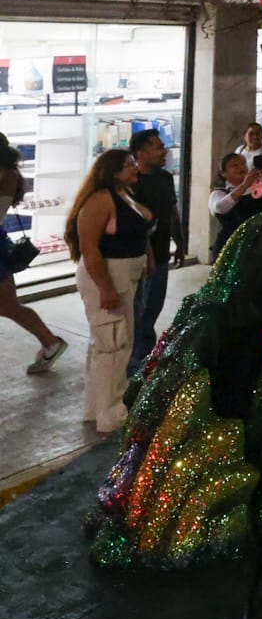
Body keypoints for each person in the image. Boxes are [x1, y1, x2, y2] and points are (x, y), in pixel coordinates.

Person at [65, 149, 153, 433]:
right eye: (129, 165)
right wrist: (106, 288)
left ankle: (97, 408)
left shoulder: (125, 195)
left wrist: (148, 259)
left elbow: (140, 231)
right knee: (113, 344)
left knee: (108, 344)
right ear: (112, 171)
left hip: (124, 276)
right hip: (108, 276)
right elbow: (89, 249)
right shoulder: (100, 200)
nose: (135, 168)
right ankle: (111, 414)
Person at [0, 132, 66, 374]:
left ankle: (51, 342)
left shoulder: (6, 175)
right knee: (8, 305)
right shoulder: (9, 174)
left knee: (8, 305)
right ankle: (50, 342)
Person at [127, 129, 184, 375]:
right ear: (141, 153)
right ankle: (134, 363)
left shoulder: (165, 178)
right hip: (137, 257)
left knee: (152, 309)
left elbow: (172, 212)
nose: (164, 151)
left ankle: (145, 358)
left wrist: (179, 242)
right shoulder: (131, 182)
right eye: (158, 147)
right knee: (136, 312)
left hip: (160, 254)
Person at [208, 153, 262, 256]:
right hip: (232, 249)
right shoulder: (219, 192)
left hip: (261, 246)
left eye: (243, 163)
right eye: (235, 165)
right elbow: (219, 208)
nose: (241, 167)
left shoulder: (257, 186)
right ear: (223, 173)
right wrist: (244, 186)